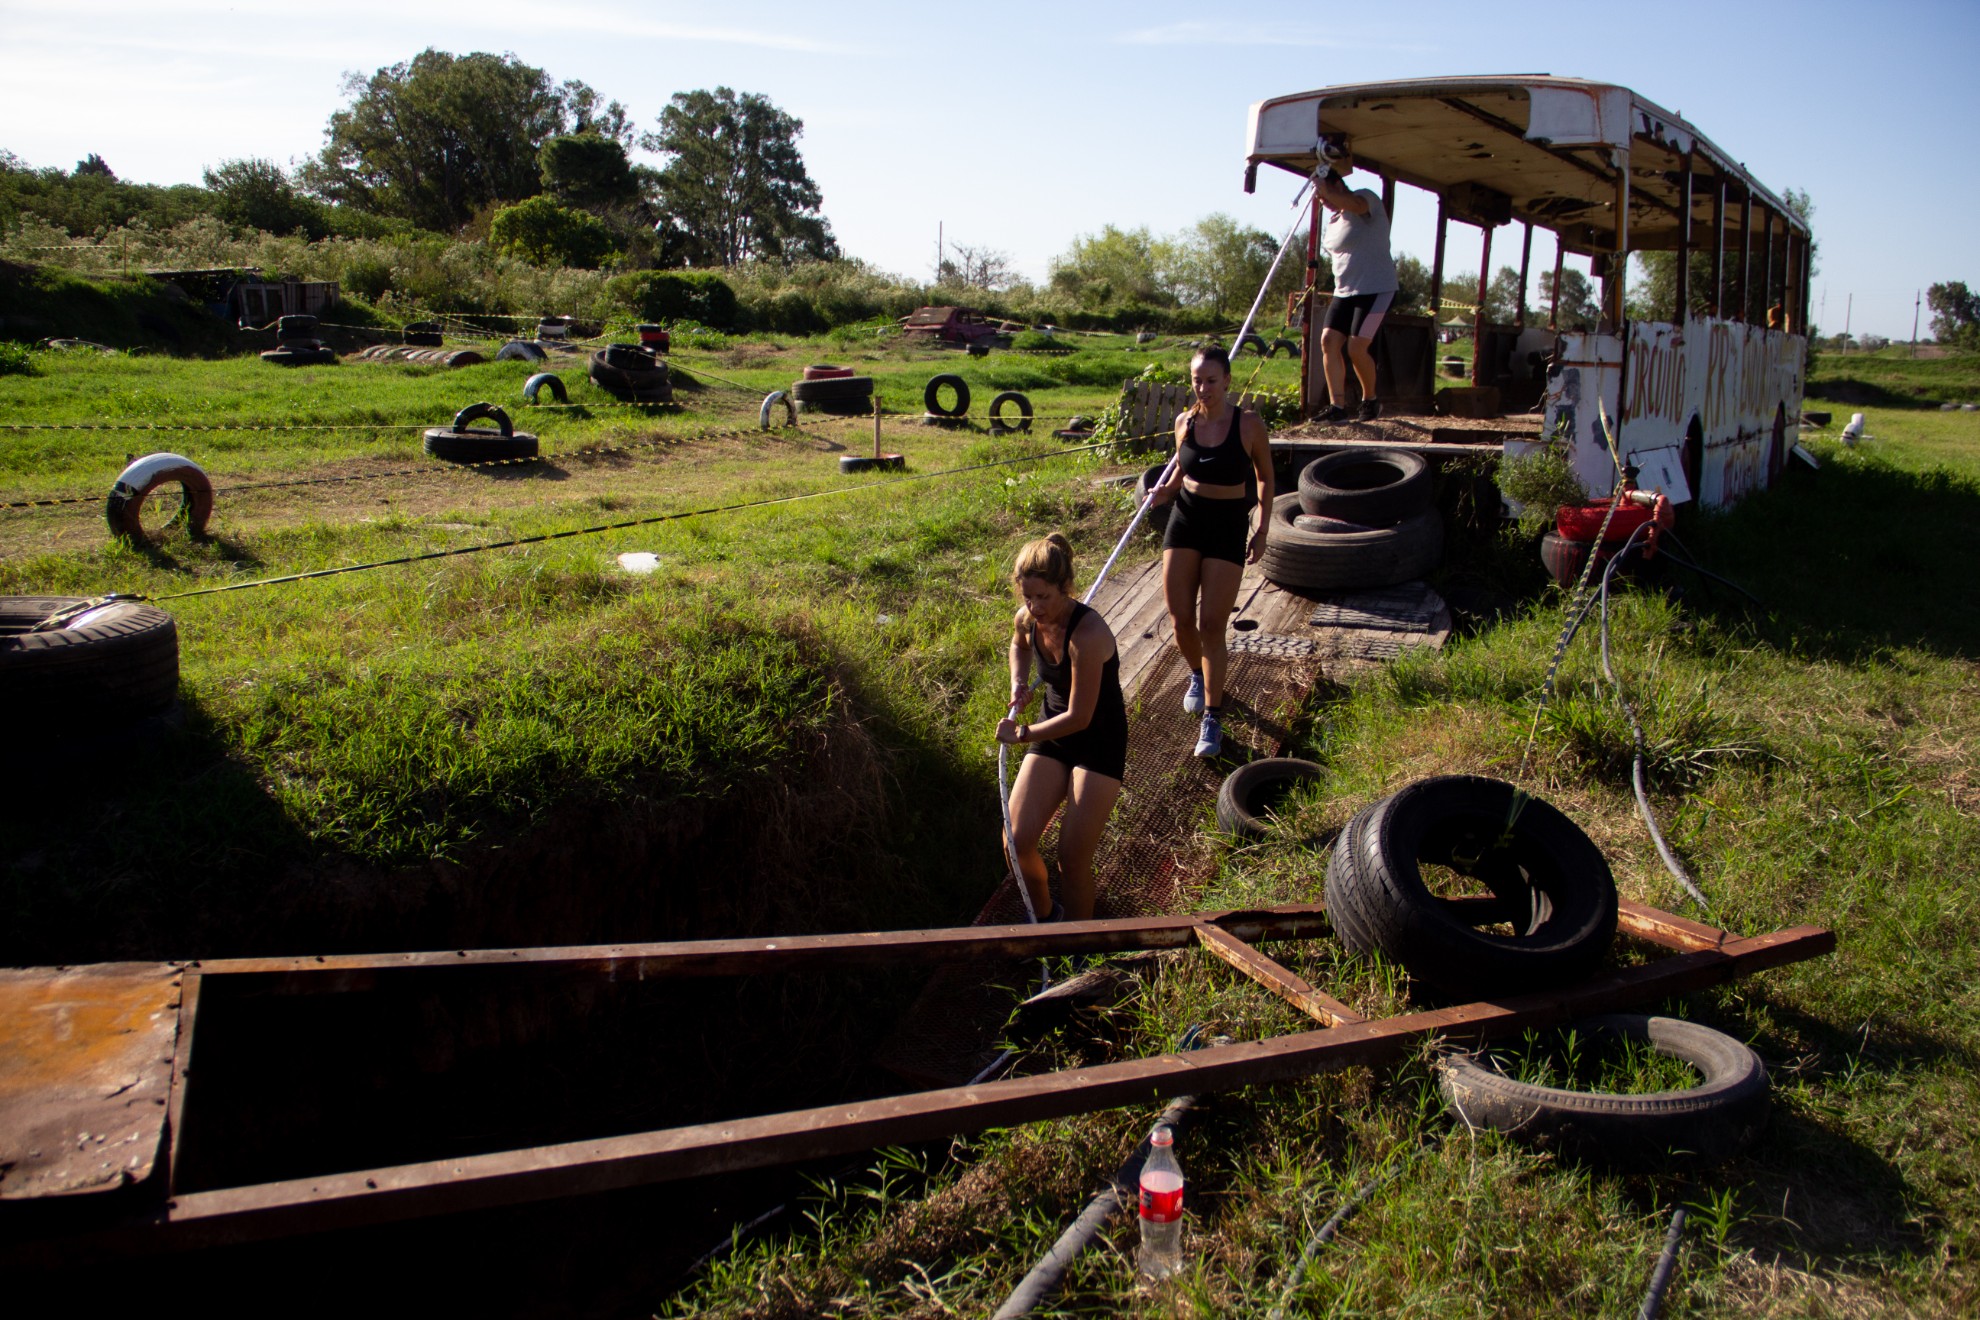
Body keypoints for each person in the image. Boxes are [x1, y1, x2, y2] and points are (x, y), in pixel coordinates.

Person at [1147, 345, 1275, 758]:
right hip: (1186, 517)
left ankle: (1213, 719)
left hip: (1227, 524)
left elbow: (1266, 480)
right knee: (1180, 618)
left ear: (1228, 381)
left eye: (1211, 380)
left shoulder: (1249, 425)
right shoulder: (1185, 422)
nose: (1202, 388)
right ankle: (1197, 676)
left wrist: (1262, 530)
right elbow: (1184, 468)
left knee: (1211, 625)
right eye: (1196, 380)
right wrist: (1164, 491)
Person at [994, 534, 1128, 922]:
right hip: (1054, 735)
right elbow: (1019, 645)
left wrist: (1022, 735)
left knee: (1071, 857)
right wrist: (1018, 682)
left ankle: (1079, 942)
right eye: (1027, 597)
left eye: (1043, 597)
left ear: (1065, 588)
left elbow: (1080, 718)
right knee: (1015, 844)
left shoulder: (1087, 635)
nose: (1034, 607)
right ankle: (1047, 920)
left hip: (1096, 742)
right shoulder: (1028, 618)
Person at [1316, 147, 1399, 424]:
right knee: (1328, 341)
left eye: (1326, 194)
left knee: (1356, 347)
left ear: (1338, 186)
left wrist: (1329, 193)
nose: (1323, 201)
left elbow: (1353, 204)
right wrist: (1326, 196)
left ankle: (1370, 400)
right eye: (1320, 198)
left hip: (1377, 288)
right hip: (1345, 290)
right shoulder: (1334, 220)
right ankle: (1337, 407)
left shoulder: (1365, 199)